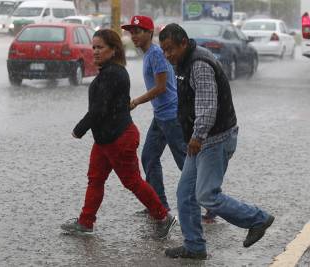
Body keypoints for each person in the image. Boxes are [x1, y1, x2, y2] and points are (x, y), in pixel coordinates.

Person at [158, 23, 274, 259]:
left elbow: (208, 107)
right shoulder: (183, 61)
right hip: (201, 138)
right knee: (185, 194)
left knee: (206, 195)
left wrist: (197, 136)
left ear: (183, 43)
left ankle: (258, 219)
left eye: (171, 49)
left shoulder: (199, 64)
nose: (168, 55)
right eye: (164, 51)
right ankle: (195, 247)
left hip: (214, 138)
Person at [61, 29, 177, 239]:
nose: (95, 51)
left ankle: (163, 217)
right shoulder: (108, 72)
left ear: (113, 50)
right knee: (95, 179)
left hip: (119, 138)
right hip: (105, 139)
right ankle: (85, 222)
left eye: (100, 47)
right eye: (94, 47)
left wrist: (79, 129)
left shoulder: (114, 73)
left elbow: (100, 109)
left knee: (132, 181)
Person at [121, 16, 186, 213]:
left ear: (150, 33)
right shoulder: (149, 54)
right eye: (131, 32)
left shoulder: (156, 54)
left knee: (185, 163)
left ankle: (210, 202)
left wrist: (136, 102)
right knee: (149, 157)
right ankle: (158, 206)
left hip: (171, 116)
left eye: (138, 31)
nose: (134, 36)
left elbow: (161, 88)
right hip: (161, 116)